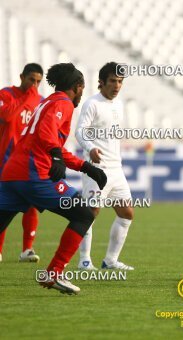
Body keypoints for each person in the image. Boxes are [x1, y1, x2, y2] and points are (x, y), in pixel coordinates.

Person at [0, 63, 107, 295]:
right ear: (77, 87)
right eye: (82, 88)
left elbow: (50, 140)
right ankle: (54, 272)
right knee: (83, 214)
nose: (82, 94)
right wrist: (56, 156)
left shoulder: (46, 101)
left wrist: (85, 166)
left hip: (11, 173)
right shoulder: (63, 103)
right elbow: (48, 132)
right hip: (33, 174)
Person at [75, 62, 134, 271]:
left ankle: (110, 260)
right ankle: (84, 260)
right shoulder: (92, 104)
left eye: (120, 81)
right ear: (101, 82)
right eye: (112, 81)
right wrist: (90, 148)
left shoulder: (119, 104)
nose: (117, 86)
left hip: (116, 169)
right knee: (90, 213)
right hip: (96, 169)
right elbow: (80, 131)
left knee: (127, 213)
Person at [0, 63, 44, 263]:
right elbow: (7, 116)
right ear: (21, 77)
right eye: (31, 80)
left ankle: (27, 250)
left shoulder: (41, 102)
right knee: (4, 205)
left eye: (38, 81)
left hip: (28, 162)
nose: (34, 85)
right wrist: (27, 98)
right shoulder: (6, 94)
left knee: (32, 203)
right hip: (5, 160)